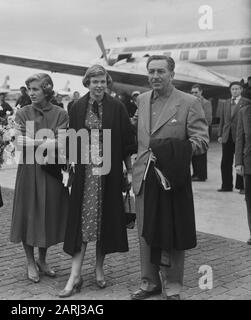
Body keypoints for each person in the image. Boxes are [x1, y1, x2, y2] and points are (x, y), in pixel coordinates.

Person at [131, 55, 209, 300]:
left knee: (172, 232)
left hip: (171, 179)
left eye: (161, 71)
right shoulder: (142, 100)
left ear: (172, 74)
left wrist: (171, 151)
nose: (155, 76)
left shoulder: (189, 102)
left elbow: (202, 141)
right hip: (144, 177)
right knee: (145, 232)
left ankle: (173, 285)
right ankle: (149, 282)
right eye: (151, 71)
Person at [59, 65, 135, 298]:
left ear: (107, 82)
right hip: (85, 172)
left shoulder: (117, 107)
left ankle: (99, 268)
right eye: (95, 82)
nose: (99, 85)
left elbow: (125, 142)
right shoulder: (76, 106)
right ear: (87, 83)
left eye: (103, 81)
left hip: (109, 171)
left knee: (105, 219)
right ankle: (75, 274)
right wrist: (69, 168)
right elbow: (72, 141)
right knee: (83, 221)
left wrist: (129, 171)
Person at [10, 73, 69, 283]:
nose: (31, 93)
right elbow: (17, 142)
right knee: (28, 215)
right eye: (29, 89)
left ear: (47, 89)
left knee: (47, 215)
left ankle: (43, 260)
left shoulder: (60, 113)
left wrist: (32, 141)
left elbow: (61, 144)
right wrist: (46, 140)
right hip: (28, 171)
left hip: (50, 172)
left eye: (35, 89)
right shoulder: (23, 113)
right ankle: (29, 261)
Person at [217, 81, 250, 193]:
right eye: (233, 89)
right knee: (225, 161)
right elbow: (222, 120)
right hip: (227, 136)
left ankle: (242, 186)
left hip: (240, 136)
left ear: (241, 90)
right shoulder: (225, 103)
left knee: (241, 160)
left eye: (237, 89)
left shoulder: (246, 102)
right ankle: (226, 185)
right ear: (230, 90)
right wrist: (220, 134)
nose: (235, 91)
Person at [235, 104, 251, 244]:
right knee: (250, 200)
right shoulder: (244, 112)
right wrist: (238, 162)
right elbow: (240, 138)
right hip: (249, 163)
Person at [190, 84, 213, 182]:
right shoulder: (190, 101)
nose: (194, 94)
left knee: (202, 153)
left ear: (201, 92)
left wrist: (200, 127)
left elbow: (208, 118)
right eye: (192, 92)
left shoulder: (206, 103)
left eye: (196, 92)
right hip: (192, 130)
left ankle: (202, 175)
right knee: (193, 153)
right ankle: (196, 173)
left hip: (202, 130)